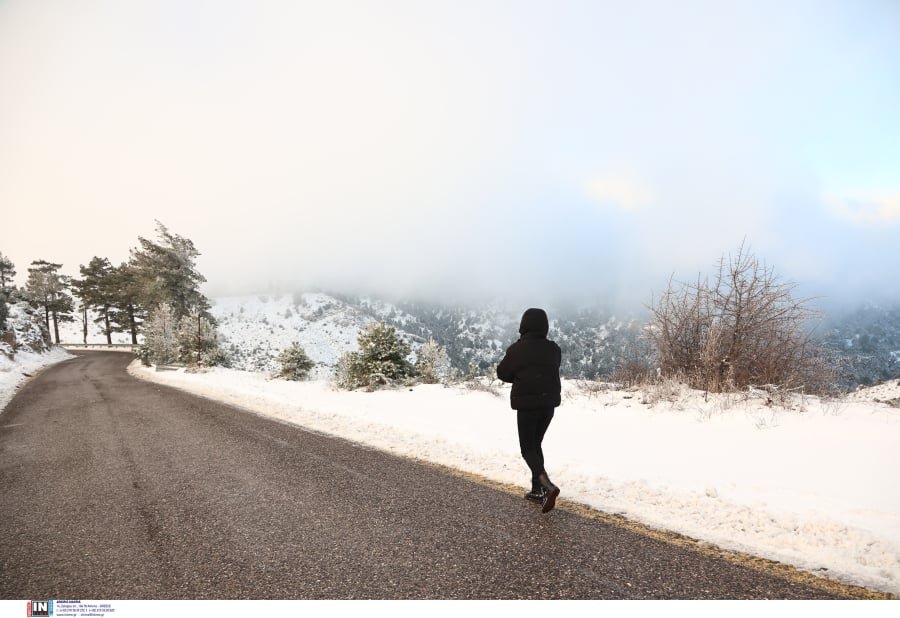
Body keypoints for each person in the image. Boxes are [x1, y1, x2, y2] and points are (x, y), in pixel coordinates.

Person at [497, 308, 562, 513]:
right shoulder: (554, 349)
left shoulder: (517, 350)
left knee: (527, 449)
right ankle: (537, 490)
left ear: (523, 325)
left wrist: (520, 376)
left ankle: (546, 485)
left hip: (527, 406)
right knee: (536, 444)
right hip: (548, 405)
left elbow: (503, 373)